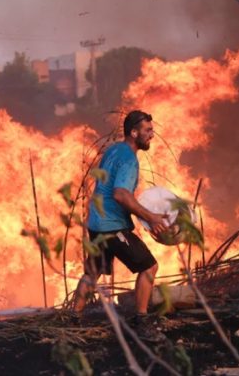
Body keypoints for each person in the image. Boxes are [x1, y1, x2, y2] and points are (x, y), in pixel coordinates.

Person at [72, 110, 168, 341]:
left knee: (92, 272)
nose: (151, 135)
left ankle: (72, 318)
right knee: (149, 267)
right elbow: (121, 195)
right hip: (111, 226)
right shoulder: (128, 158)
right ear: (134, 132)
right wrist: (151, 217)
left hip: (96, 221)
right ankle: (142, 321)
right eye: (147, 130)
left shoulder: (114, 149)